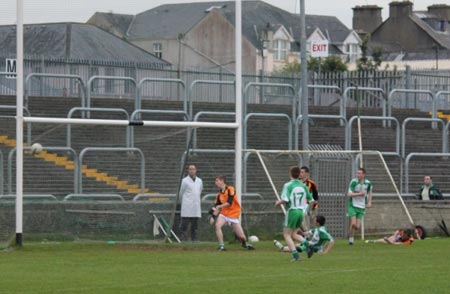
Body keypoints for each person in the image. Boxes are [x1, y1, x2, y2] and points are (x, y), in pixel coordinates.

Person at [275, 166, 313, 261]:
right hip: (301, 212)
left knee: (286, 235)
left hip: (292, 211)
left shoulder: (288, 185)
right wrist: (307, 210)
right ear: (299, 174)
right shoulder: (303, 185)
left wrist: (278, 203)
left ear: (290, 174)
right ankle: (309, 245)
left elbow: (285, 199)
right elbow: (311, 200)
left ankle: (296, 256)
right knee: (294, 234)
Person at [210, 175, 255, 251]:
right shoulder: (219, 195)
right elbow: (216, 207)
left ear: (222, 181)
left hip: (233, 214)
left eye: (217, 181)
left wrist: (219, 206)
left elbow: (229, 203)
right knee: (217, 225)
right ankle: (222, 246)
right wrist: (213, 216)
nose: (216, 183)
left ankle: (244, 244)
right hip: (224, 214)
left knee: (242, 237)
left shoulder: (231, 189)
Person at [347, 167, 373, 245]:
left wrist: (369, 202)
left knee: (357, 227)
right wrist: (359, 193)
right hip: (353, 205)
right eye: (357, 173)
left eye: (359, 173)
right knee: (353, 223)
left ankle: (351, 235)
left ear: (363, 175)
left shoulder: (368, 183)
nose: (358, 175)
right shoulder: (353, 182)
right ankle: (351, 238)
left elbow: (370, 193)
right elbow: (349, 194)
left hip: (361, 206)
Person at [179, 164, 203, 242]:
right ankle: (183, 238)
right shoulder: (184, 181)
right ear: (188, 170)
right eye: (190, 169)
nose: (192, 170)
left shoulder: (199, 181)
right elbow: (181, 192)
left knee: (194, 224)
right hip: (187, 205)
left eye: (193, 169)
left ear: (196, 170)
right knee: (185, 223)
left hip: (195, 205)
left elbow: (200, 190)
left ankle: (194, 238)